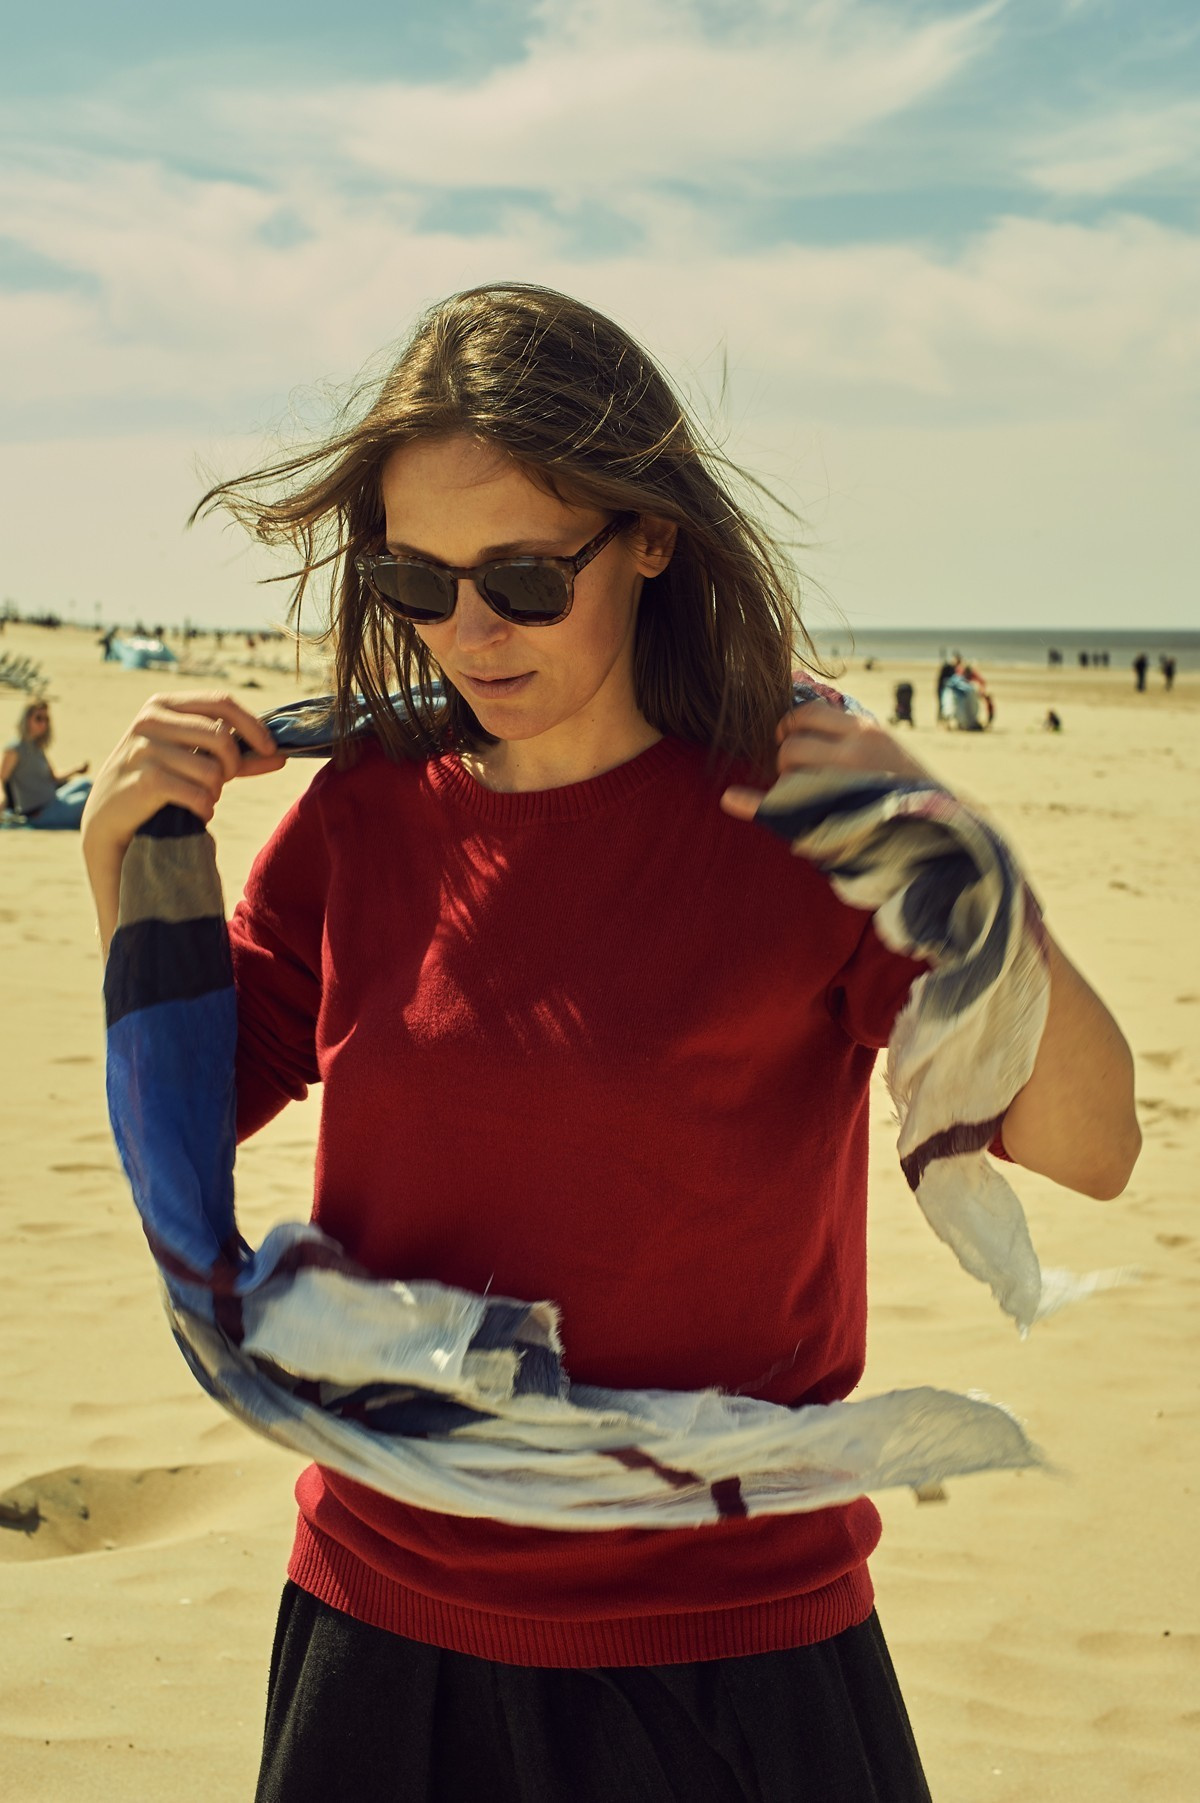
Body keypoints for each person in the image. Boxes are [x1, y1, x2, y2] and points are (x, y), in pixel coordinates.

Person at [80, 284, 1140, 1803]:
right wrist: (120, 869)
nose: (466, 633)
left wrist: (965, 864)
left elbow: (1090, 1149)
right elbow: (199, 1106)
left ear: (648, 533)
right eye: (414, 581)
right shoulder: (361, 820)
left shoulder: (804, 823)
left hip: (734, 1652)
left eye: (519, 575)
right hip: (389, 1633)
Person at [2, 698, 91, 827]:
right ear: (27, 719)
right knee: (88, 799)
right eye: (38, 719)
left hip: (53, 800)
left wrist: (76, 770)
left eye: (46, 719)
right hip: (40, 813)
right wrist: (2, 799)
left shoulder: (36, 746)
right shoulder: (15, 749)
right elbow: (2, 778)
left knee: (87, 784)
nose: (43, 724)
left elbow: (54, 777)